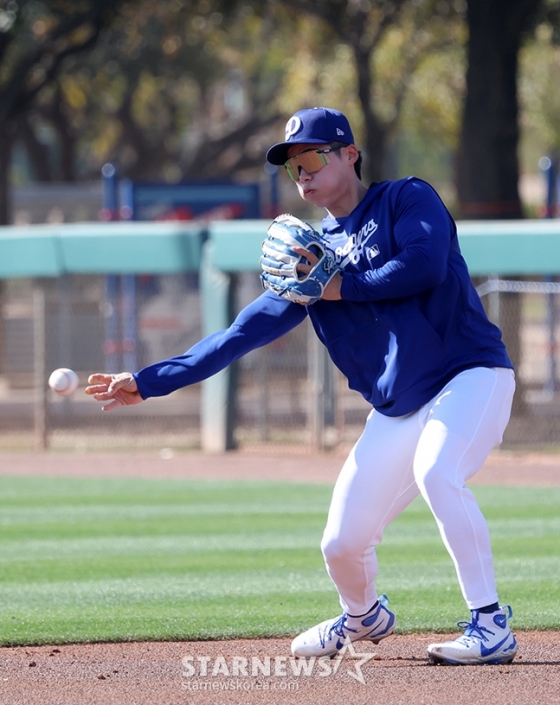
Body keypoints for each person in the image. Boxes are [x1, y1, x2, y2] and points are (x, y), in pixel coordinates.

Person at [86, 107, 518, 666]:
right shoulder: (311, 265)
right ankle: (363, 616)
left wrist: (337, 287)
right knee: (340, 544)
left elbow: (425, 266)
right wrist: (146, 382)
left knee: (438, 471)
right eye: (293, 166)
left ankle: (490, 624)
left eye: (313, 156)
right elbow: (238, 335)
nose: (303, 172)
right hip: (399, 407)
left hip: (471, 374)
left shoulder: (405, 199)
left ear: (350, 155)